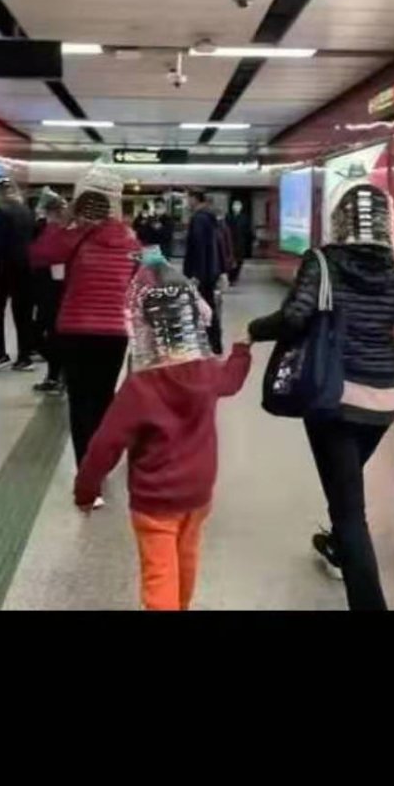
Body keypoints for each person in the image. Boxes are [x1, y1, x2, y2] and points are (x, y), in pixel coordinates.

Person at [247, 182, 394, 613]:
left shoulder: (321, 262)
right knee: (346, 481)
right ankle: (338, 547)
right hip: (383, 402)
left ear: (340, 221)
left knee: (349, 509)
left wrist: (253, 330)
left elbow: (294, 317)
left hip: (332, 398)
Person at [75, 259, 251, 609]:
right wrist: (241, 352)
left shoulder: (141, 385)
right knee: (186, 559)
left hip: (155, 499)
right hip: (198, 491)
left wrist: (86, 490)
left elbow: (105, 444)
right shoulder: (206, 370)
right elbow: (231, 382)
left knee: (159, 574)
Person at [29, 161, 138, 476]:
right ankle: (99, 467)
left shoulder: (73, 237)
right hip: (114, 334)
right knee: (103, 400)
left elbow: (38, 255)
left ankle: (86, 473)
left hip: (75, 331)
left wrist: (60, 223)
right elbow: (140, 278)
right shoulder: (131, 240)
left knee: (80, 403)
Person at [0, 176, 37, 372]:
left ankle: (0, 353)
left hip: (4, 266)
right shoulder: (27, 211)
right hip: (27, 267)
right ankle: (24, 357)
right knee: (23, 313)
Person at [30, 186, 68, 395]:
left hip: (52, 288)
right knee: (50, 333)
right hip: (48, 286)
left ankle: (57, 373)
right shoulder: (47, 229)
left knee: (44, 333)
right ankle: (56, 374)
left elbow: (49, 256)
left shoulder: (57, 232)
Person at [183, 190, 226, 355]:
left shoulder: (199, 219)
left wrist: (196, 275)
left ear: (195, 199)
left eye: (188, 199)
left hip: (202, 273)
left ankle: (209, 343)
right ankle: (214, 343)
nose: (187, 202)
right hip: (211, 270)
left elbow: (198, 247)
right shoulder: (211, 217)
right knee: (209, 306)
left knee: (203, 308)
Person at [227, 198, 253, 283]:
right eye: (235, 205)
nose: (236, 207)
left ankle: (235, 276)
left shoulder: (244, 218)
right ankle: (230, 276)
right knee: (230, 259)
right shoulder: (228, 217)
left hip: (241, 243)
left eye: (238, 205)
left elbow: (248, 231)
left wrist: (251, 240)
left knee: (239, 260)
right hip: (230, 242)